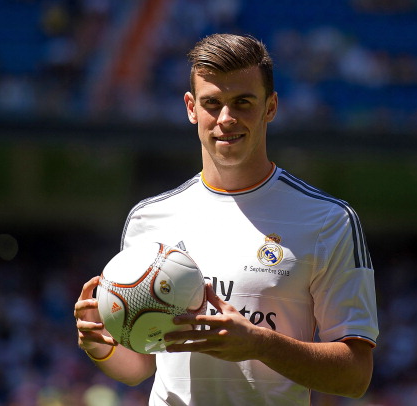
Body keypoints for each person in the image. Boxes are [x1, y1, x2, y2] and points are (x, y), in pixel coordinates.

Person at [74, 33, 379, 405]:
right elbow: (140, 365)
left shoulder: (328, 220)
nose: (226, 118)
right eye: (212, 103)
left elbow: (355, 376)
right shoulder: (148, 218)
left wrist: (257, 343)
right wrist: (99, 344)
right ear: (191, 108)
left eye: (243, 102)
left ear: (271, 107)